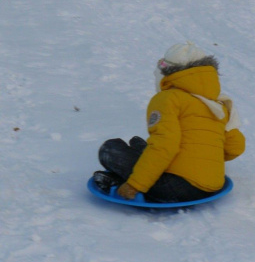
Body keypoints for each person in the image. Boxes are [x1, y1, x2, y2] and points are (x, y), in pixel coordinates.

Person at [93, 41, 245, 203]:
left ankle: (121, 179)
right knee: (138, 144)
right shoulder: (220, 104)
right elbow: (235, 148)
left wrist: (135, 185)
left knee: (111, 148)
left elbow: (165, 145)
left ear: (166, 73)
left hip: (175, 189)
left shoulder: (168, 98)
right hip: (214, 187)